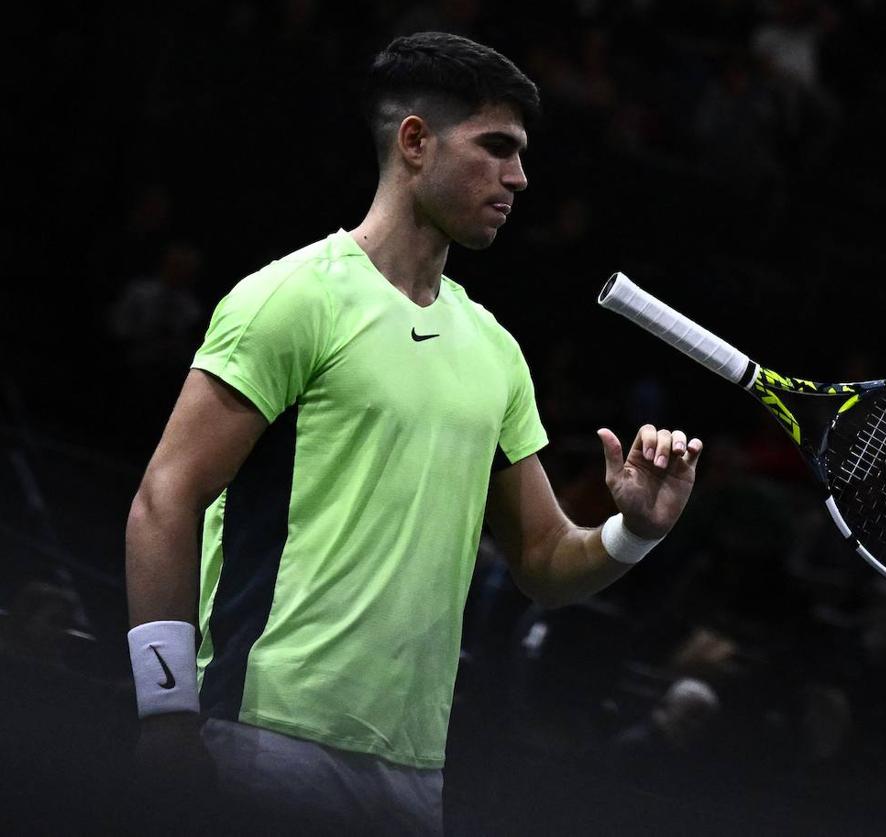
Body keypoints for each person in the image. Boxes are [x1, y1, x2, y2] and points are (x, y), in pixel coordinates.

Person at [123, 31, 703, 835]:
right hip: (262, 735)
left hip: (412, 772)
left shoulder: (497, 351)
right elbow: (165, 496)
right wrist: (165, 713)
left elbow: (541, 561)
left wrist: (632, 530)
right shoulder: (294, 298)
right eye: (496, 148)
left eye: (522, 154)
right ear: (415, 142)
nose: (519, 177)